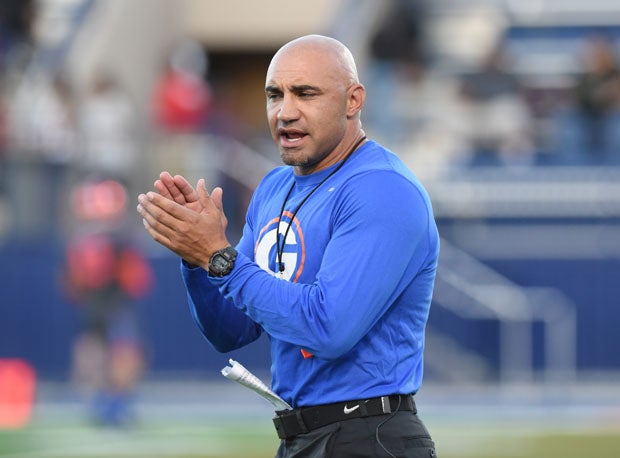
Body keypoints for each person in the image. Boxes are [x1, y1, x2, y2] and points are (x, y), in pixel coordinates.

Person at [137, 34, 439, 457]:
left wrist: (218, 257)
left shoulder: (381, 189)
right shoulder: (275, 187)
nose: (285, 112)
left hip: (369, 436)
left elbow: (328, 328)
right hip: (301, 436)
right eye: (274, 95)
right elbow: (231, 329)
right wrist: (196, 258)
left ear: (353, 100)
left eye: (306, 94)